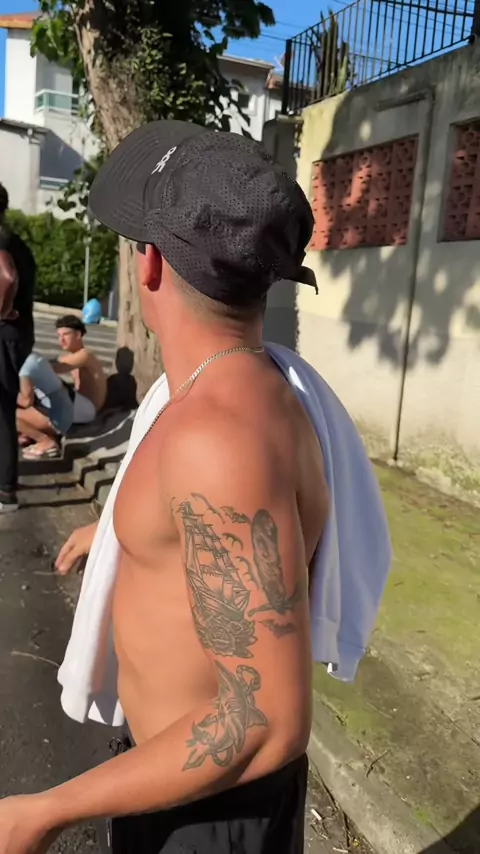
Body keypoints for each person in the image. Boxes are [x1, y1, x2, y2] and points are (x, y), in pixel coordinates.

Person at [0, 124, 328, 852]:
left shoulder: (217, 439)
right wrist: (120, 528)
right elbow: (208, 518)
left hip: (207, 811)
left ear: (149, 264)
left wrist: (43, 811)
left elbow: (265, 721)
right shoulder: (248, 391)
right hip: (184, 785)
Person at [0, 182, 36, 514]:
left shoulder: (3, 242)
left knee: (2, 411)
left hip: (5, 332)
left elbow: (8, 278)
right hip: (18, 333)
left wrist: (2, 311)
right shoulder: (17, 243)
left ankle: (6, 491)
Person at [17, 352, 74, 458]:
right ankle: (32, 434)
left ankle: (45, 441)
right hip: (62, 411)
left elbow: (26, 401)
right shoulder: (32, 358)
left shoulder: (25, 366)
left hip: (57, 418)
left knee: (5, 414)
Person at [52, 315, 106, 423]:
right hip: (80, 404)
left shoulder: (85, 355)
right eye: (59, 335)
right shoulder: (73, 356)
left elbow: (57, 367)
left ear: (77, 335)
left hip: (88, 410)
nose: (61, 340)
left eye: (66, 334)